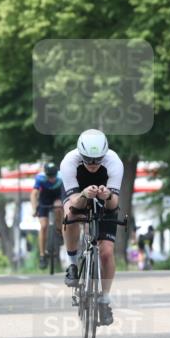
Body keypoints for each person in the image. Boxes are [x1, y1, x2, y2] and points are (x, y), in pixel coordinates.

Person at [60, 129, 124, 326]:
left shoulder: (114, 162)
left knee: (106, 252)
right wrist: (84, 194)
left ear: (105, 155)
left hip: (104, 199)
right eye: (88, 160)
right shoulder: (69, 162)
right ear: (81, 154)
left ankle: (104, 300)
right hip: (78, 195)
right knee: (70, 216)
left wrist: (108, 196)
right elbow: (74, 203)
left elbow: (113, 205)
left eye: (98, 160)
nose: (94, 164)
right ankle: (72, 263)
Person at [31, 162, 64, 269]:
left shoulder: (61, 176)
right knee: (43, 226)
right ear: (45, 174)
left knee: (58, 207)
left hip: (57, 197)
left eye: (53, 176)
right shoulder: (40, 178)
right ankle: (42, 255)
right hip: (44, 199)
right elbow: (34, 194)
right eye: (49, 176)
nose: (52, 179)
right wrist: (34, 209)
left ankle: (59, 229)